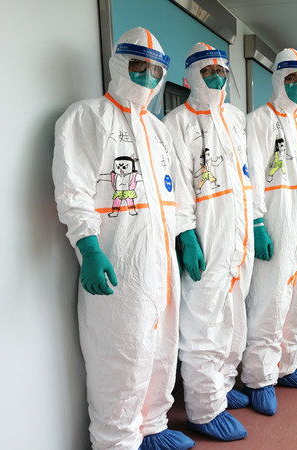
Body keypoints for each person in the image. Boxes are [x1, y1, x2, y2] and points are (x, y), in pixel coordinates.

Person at [52, 27, 194, 449]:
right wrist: (88, 246)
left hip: (161, 264)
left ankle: (152, 427)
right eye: (138, 66)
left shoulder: (159, 129)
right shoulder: (87, 117)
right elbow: (73, 190)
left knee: (160, 348)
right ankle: (115, 442)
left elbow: (173, 191)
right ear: (118, 65)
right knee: (120, 355)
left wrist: (185, 237)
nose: (147, 77)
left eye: (155, 71)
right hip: (118, 264)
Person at [163, 43, 253, 441]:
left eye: (221, 71)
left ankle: (223, 384)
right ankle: (204, 407)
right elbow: (179, 188)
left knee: (234, 313)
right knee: (202, 320)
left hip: (239, 232)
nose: (216, 77)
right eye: (208, 71)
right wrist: (187, 235)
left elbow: (247, 175)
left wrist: (256, 221)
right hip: (207, 233)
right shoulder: (176, 123)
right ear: (190, 77)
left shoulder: (234, 117)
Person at [241, 48, 297, 415]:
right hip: (274, 221)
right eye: (290, 79)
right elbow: (253, 176)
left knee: (296, 296)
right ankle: (259, 377)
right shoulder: (258, 120)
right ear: (277, 80)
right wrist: (258, 222)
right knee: (269, 299)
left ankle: (286, 365)